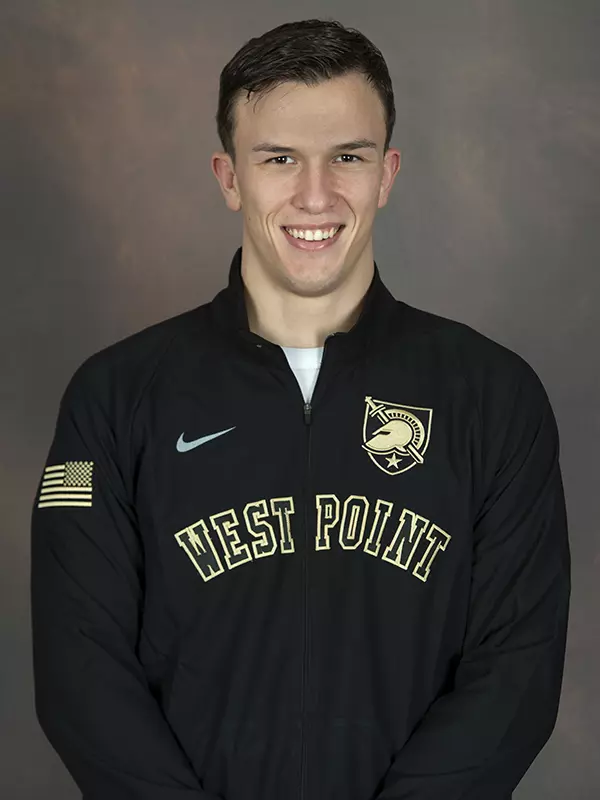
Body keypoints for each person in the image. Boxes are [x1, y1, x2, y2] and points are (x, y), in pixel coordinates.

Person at [30, 17, 571, 800]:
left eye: (346, 157)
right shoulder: (116, 397)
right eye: (279, 158)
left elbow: (516, 671)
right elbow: (82, 674)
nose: (315, 195)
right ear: (228, 176)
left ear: (386, 174)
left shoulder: (492, 396)